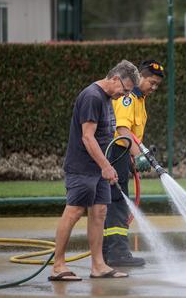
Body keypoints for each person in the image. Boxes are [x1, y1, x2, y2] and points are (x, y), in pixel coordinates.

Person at [49, 60, 140, 282]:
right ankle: (58, 266)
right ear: (116, 79)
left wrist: (110, 164)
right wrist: (105, 166)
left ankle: (98, 265)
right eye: (125, 89)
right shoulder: (92, 97)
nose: (124, 95)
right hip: (82, 167)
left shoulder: (108, 98)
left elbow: (104, 136)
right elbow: (87, 137)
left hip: (98, 169)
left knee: (99, 212)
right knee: (74, 211)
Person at [103, 59, 165, 266]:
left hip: (121, 154)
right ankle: (117, 254)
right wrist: (138, 156)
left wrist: (134, 156)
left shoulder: (140, 99)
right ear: (140, 76)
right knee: (117, 203)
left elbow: (132, 136)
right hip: (115, 154)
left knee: (115, 202)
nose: (154, 87)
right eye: (151, 82)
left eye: (157, 84)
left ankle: (109, 252)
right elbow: (122, 130)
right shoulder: (128, 98)